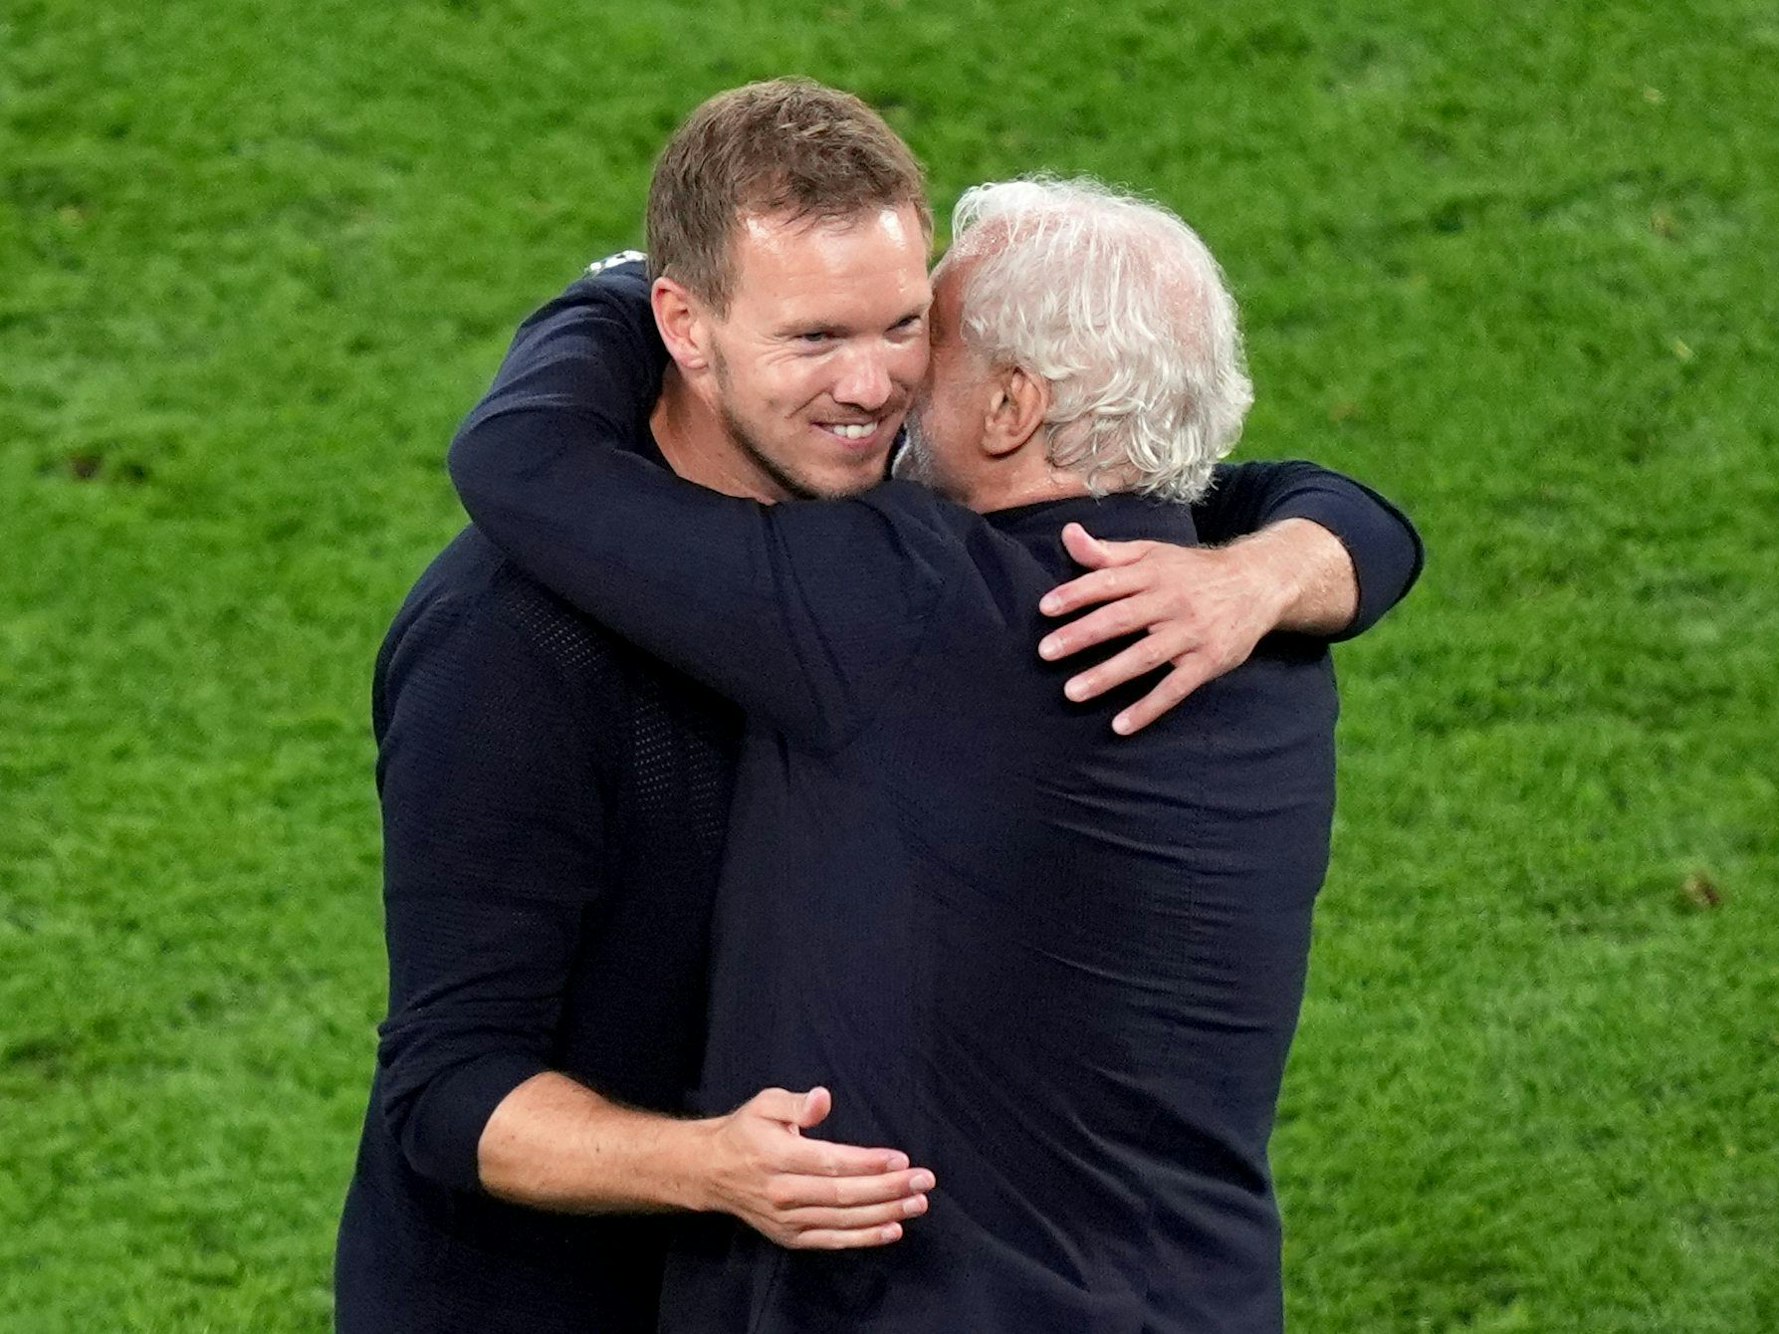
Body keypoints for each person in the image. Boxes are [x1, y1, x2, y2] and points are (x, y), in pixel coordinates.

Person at [338, 79, 1421, 1332]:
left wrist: (608, 291)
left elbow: (517, 453)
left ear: (1012, 404)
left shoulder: (927, 585)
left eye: (912, 329)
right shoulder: (509, 639)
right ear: (689, 328)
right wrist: (710, 1166)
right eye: (816, 338)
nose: (877, 390)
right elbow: (447, 1087)